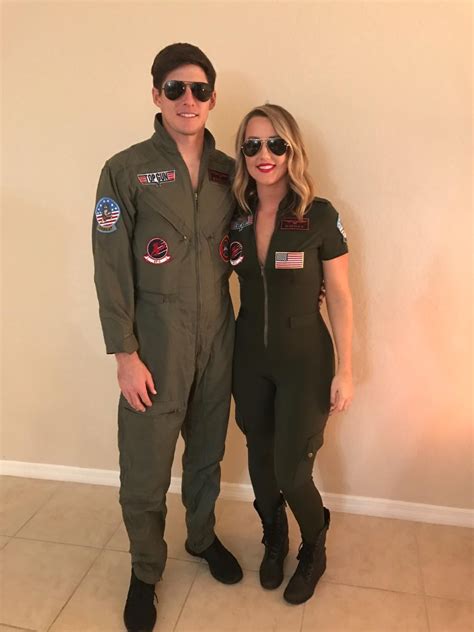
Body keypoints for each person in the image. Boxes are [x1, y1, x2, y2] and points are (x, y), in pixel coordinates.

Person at [92, 43, 242, 632]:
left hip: (218, 339)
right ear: (156, 94)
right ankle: (145, 569)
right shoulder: (125, 169)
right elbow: (110, 266)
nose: (188, 99)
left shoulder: (231, 170)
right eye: (175, 88)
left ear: (212, 98)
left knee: (207, 455)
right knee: (145, 469)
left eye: (199, 89)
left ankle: (201, 538)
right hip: (154, 345)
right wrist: (125, 354)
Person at [230, 104, 353, 605]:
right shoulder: (233, 217)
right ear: (242, 153)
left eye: (275, 143)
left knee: (292, 470)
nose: (265, 154)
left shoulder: (318, 215)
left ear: (291, 150)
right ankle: (274, 538)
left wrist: (346, 369)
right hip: (248, 359)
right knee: (260, 462)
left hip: (305, 360)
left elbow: (339, 296)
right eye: (253, 144)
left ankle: (314, 549)